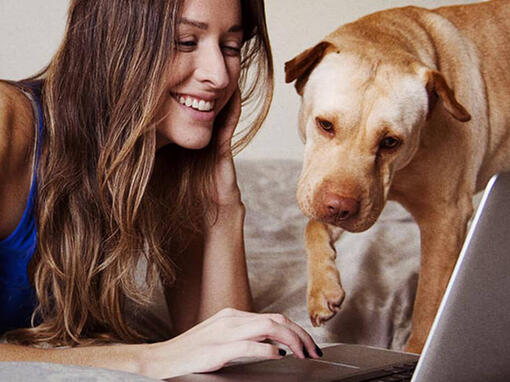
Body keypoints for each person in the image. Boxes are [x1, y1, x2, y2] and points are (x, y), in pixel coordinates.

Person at [0, 0, 322, 378]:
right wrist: (146, 359)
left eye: (231, 47)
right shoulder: (7, 124)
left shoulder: (166, 159)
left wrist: (224, 199)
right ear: (111, 43)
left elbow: (225, 347)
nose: (219, 76)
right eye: (186, 42)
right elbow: (176, 353)